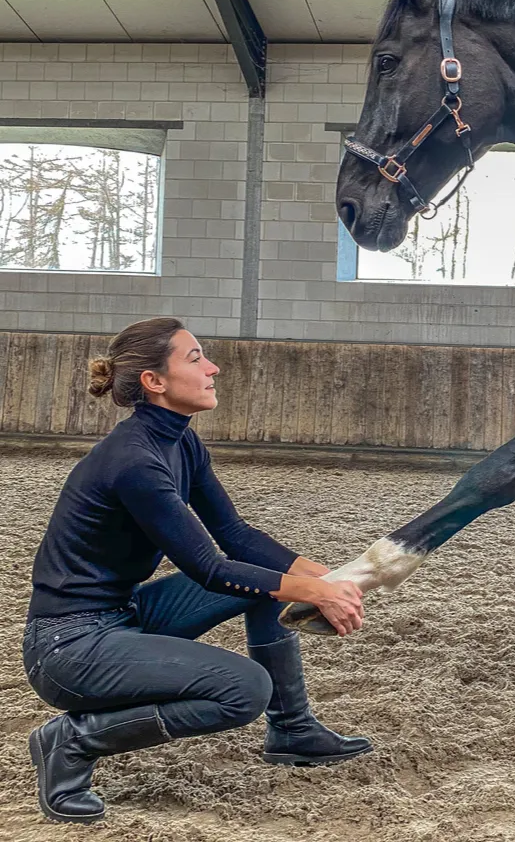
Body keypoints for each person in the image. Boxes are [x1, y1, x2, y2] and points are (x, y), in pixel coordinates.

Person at [22, 317, 369, 825]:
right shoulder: (134, 461)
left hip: (123, 616)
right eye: (195, 358)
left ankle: (293, 730)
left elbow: (238, 538)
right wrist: (315, 590)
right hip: (68, 648)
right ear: (154, 381)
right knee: (243, 690)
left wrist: (338, 577)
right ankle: (72, 741)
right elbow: (209, 568)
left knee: (263, 581)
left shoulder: (181, 442)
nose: (213, 367)